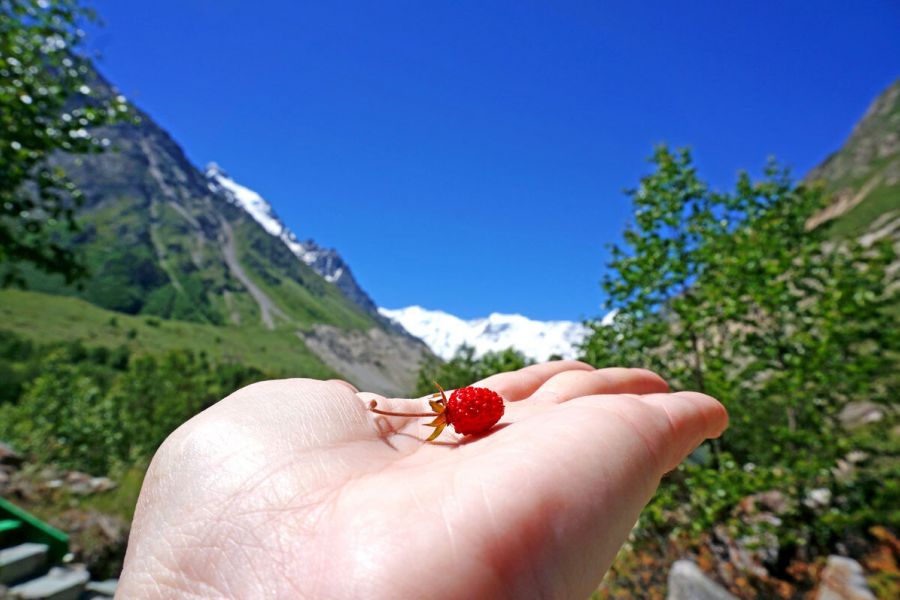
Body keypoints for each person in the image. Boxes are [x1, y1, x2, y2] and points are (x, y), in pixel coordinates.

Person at [117, 361, 727, 598]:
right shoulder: (457, 411)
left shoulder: (459, 411)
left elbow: (471, 408)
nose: (447, 409)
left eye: (447, 406)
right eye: (447, 407)